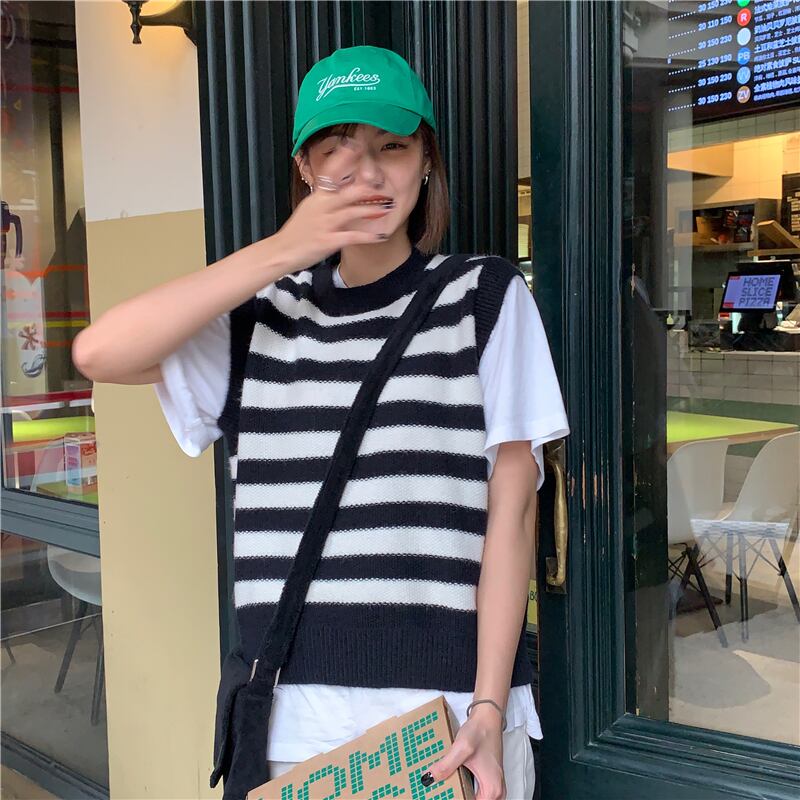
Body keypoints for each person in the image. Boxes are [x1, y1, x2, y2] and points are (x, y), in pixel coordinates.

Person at [73, 45, 569, 800]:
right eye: (337, 147)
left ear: (425, 165)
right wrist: (284, 250)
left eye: (392, 148)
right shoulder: (262, 319)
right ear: (304, 168)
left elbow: (513, 513)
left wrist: (489, 708)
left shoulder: (482, 297)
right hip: (293, 734)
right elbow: (100, 352)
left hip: (446, 724)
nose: (367, 173)